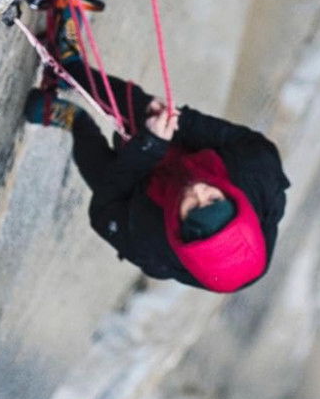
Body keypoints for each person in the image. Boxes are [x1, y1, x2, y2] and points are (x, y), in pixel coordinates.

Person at [25, 20, 288, 294]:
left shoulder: (151, 244)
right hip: (196, 158)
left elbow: (104, 208)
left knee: (105, 170)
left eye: (194, 208)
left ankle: (74, 119)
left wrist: (147, 148)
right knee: (147, 112)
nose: (198, 191)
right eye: (213, 198)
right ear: (231, 198)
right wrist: (181, 122)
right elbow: (246, 141)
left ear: (180, 228)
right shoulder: (257, 170)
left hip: (143, 198)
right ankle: (71, 65)